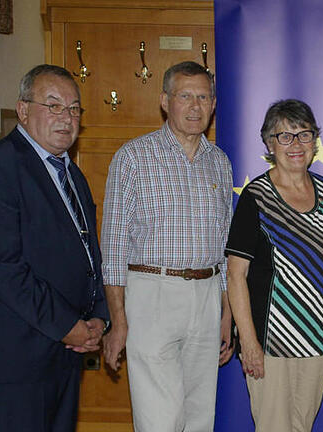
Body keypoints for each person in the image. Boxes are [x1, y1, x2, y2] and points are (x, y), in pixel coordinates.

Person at [0, 64, 108, 431]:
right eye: (53, 105)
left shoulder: (71, 173)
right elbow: (0, 267)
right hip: (14, 356)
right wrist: (67, 326)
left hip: (64, 351)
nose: (66, 117)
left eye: (74, 108)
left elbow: (88, 252)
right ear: (24, 110)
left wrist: (98, 316)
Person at [100, 61, 233, 432]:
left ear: (214, 104)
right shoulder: (133, 157)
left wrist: (226, 311)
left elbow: (223, 244)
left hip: (206, 295)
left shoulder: (219, 163)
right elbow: (112, 246)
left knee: (199, 415)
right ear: (164, 101)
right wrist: (118, 319)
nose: (195, 106)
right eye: (185, 96)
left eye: (204, 97)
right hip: (151, 295)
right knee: (161, 418)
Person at [225, 99, 323, 431]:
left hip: (320, 338)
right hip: (271, 342)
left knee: (301, 427)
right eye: (284, 136)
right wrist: (248, 341)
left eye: (304, 135)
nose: (296, 145)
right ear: (268, 143)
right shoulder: (256, 197)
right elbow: (236, 276)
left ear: (315, 140)